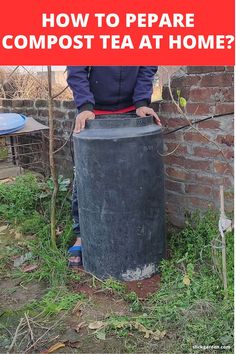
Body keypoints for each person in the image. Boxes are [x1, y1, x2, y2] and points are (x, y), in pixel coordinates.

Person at [67, 66, 161, 267]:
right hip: (93, 111)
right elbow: (76, 68)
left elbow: (148, 65)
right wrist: (84, 106)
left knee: (131, 177)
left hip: (132, 110)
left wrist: (142, 101)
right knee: (85, 176)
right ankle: (82, 236)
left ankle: (134, 234)